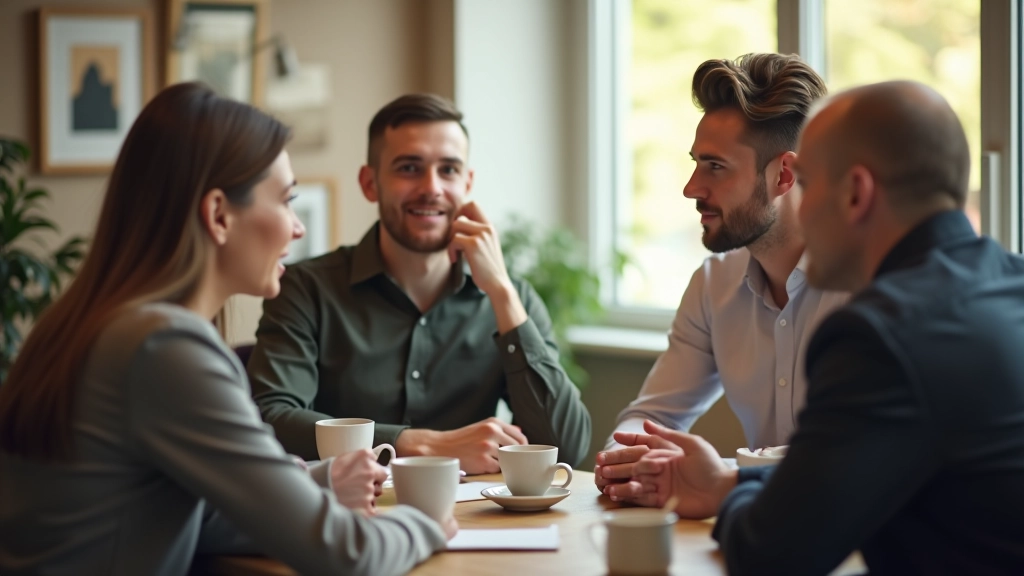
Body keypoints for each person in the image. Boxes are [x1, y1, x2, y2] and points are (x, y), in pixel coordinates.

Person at [0, 83, 454, 576]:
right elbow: (344, 553)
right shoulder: (164, 347)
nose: (297, 228)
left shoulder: (96, 323)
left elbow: (195, 511)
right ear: (218, 215)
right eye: (286, 201)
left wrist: (319, 480)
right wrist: (427, 522)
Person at [612, 81, 1024, 574]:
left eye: (806, 183)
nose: (800, 210)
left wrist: (728, 493)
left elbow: (771, 552)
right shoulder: (1010, 285)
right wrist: (732, 485)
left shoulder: (881, 334)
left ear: (855, 194)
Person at [247, 93, 591, 473]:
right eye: (409, 168)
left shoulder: (512, 298)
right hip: (352, 516)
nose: (432, 188)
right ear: (370, 183)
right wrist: (418, 444)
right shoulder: (306, 290)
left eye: (449, 170)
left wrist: (502, 292)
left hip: (480, 523)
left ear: (468, 182)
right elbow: (270, 421)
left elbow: (565, 448)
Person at [596, 53, 846, 495]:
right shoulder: (713, 284)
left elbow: (854, 458)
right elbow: (655, 417)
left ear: (784, 174)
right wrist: (630, 455)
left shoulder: (865, 290)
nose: (691, 188)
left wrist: (725, 480)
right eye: (696, 163)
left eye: (715, 167)